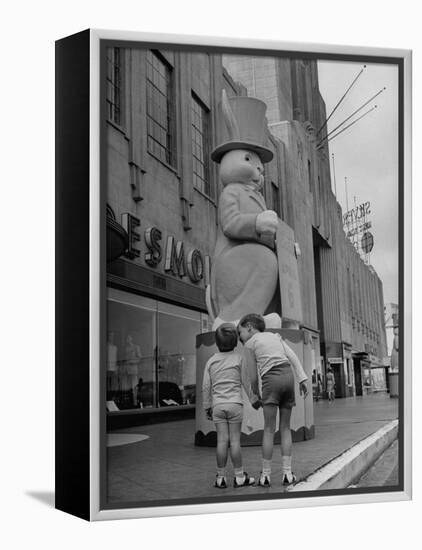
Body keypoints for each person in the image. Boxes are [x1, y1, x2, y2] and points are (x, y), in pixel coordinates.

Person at [237, 313, 309, 487]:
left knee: (269, 429)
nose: (240, 338)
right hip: (288, 377)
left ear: (249, 327)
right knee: (285, 428)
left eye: (240, 333)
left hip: (271, 380)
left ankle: (266, 475)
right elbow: (292, 357)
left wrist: (255, 392)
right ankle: (287, 473)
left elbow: (253, 376)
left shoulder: (250, 344)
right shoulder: (276, 337)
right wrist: (303, 379)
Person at [202, 323, 261, 489]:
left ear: (216, 342)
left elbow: (206, 386)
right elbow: (246, 382)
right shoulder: (239, 359)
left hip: (218, 406)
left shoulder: (211, 361)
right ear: (236, 341)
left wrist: (207, 406)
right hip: (235, 405)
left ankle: (221, 478)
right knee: (235, 441)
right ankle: (240, 477)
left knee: (222, 441)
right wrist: (254, 400)